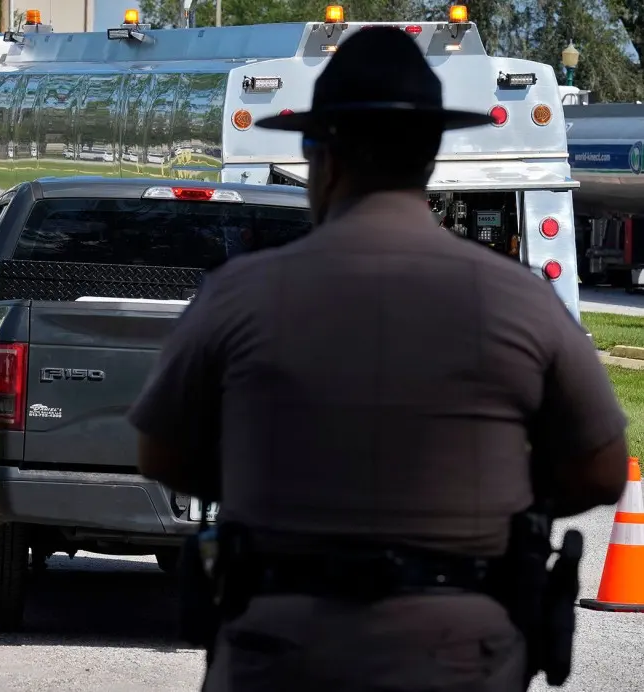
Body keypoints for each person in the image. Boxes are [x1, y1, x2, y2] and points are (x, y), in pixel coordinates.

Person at [129, 28, 629, 692]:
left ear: (323, 157)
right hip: (457, 657)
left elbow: (161, 453)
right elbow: (600, 472)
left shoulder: (240, 296)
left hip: (281, 652)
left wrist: (271, 476)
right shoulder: (520, 302)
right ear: (428, 159)